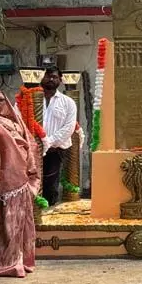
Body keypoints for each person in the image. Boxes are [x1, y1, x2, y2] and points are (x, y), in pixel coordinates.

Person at [0, 88, 41, 278]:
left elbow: (29, 144)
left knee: (18, 223)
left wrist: (30, 170)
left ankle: (17, 259)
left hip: (19, 175)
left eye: (1, 99)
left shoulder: (14, 121)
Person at [40, 67, 80, 207]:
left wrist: (48, 142)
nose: (51, 79)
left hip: (54, 149)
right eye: (47, 76)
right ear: (41, 77)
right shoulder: (28, 98)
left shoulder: (68, 102)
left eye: (55, 77)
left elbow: (69, 127)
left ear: (60, 80)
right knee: (32, 183)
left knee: (50, 183)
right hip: (31, 149)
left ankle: (49, 212)